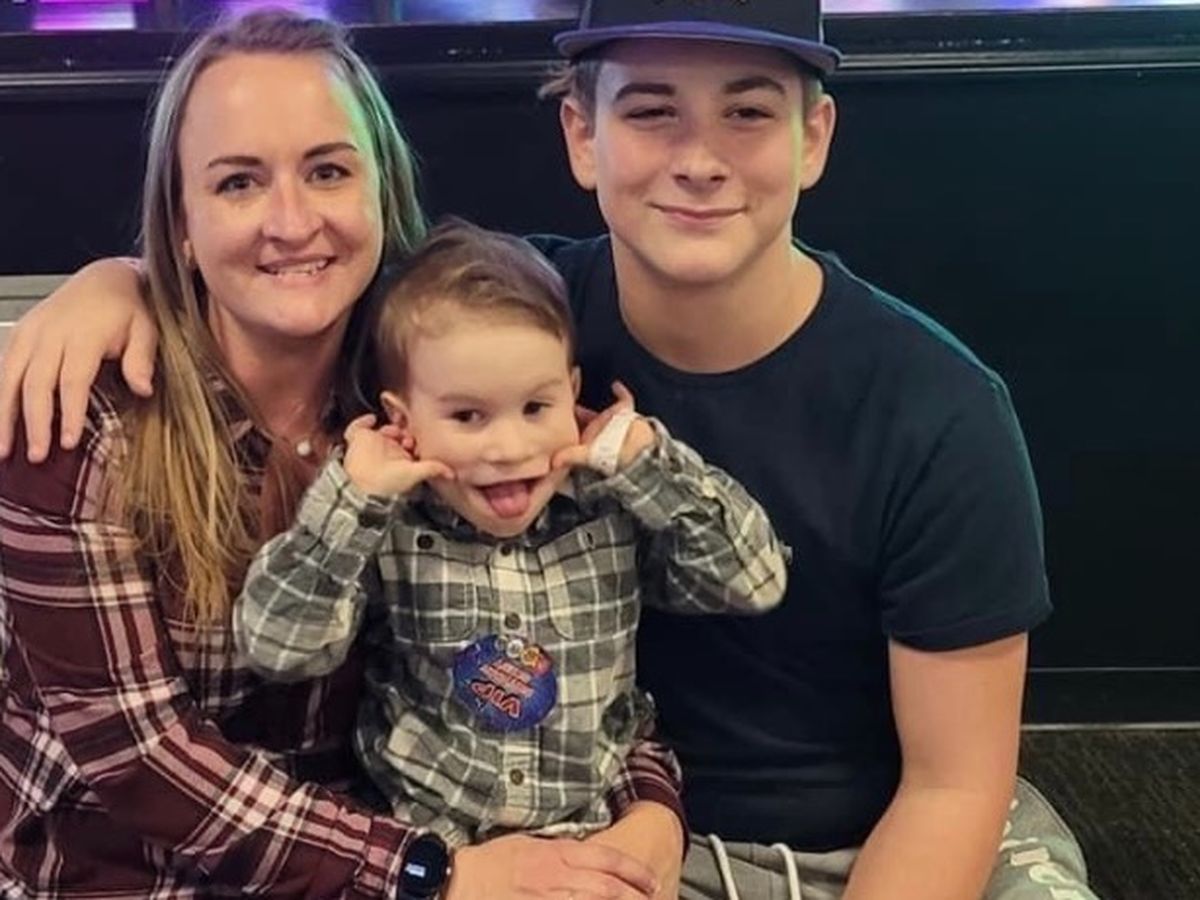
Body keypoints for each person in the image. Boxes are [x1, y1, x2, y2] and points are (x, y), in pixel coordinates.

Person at [0, 1, 1101, 898]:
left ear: (813, 137)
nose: (699, 160)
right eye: (653, 111)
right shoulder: (463, 347)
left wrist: (650, 810)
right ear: (582, 134)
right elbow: (140, 755)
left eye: (748, 112)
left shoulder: (936, 411)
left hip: (770, 834)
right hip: (426, 843)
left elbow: (950, 787)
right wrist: (113, 284)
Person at [0, 11, 691, 900]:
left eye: (327, 171)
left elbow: (568, 614)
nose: (292, 222)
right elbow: (139, 756)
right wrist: (430, 874)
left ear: (383, 192)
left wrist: (650, 805)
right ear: (181, 223)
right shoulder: (83, 416)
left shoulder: (432, 386)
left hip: (380, 852)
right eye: (239, 182)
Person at [234, 218, 787, 850]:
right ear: (402, 419)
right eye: (467, 416)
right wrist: (351, 501)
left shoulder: (611, 508)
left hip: (590, 838)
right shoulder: (387, 526)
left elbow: (755, 580)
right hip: (432, 846)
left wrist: (650, 463)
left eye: (536, 408)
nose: (509, 447)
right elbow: (278, 648)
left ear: (571, 393)